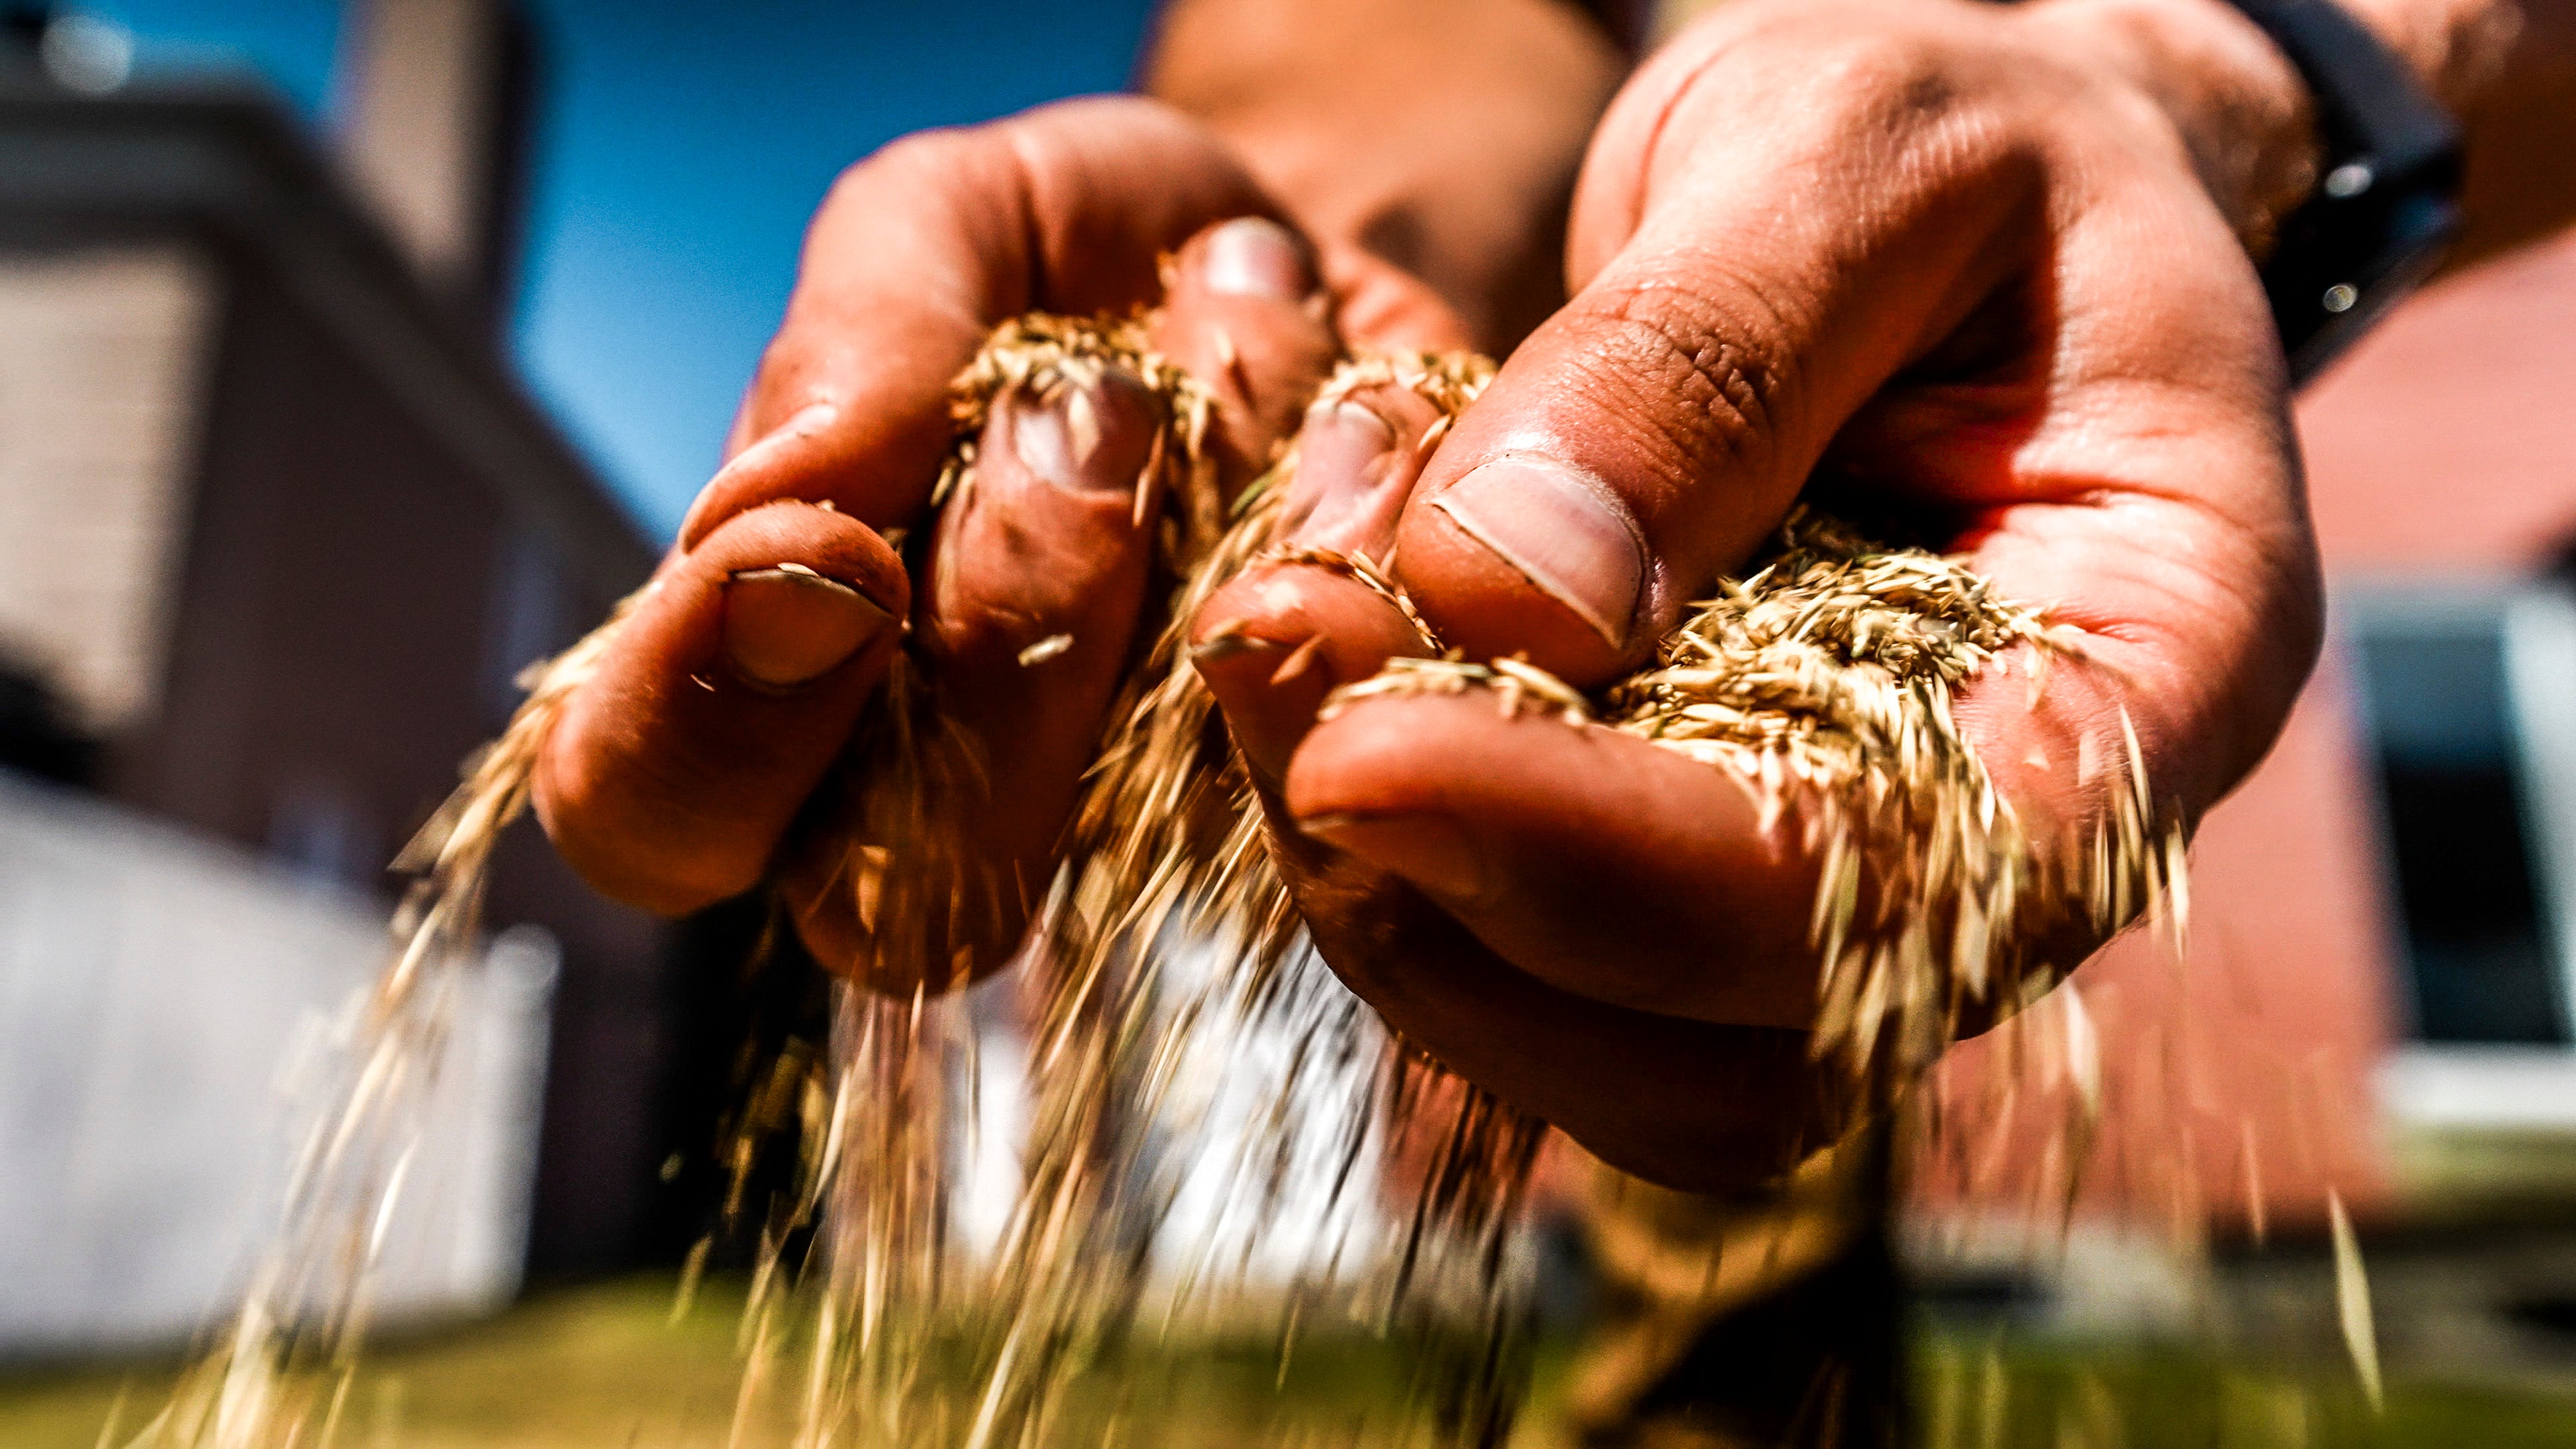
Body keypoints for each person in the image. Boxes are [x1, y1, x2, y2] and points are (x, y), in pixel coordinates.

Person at [529, 0, 2576, 1438]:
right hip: (1678, 439)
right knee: (1674, 1041)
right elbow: (1398, 33)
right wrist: (1318, 234)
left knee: (1744, 1039)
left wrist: (2224, 75)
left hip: (1947, 353)